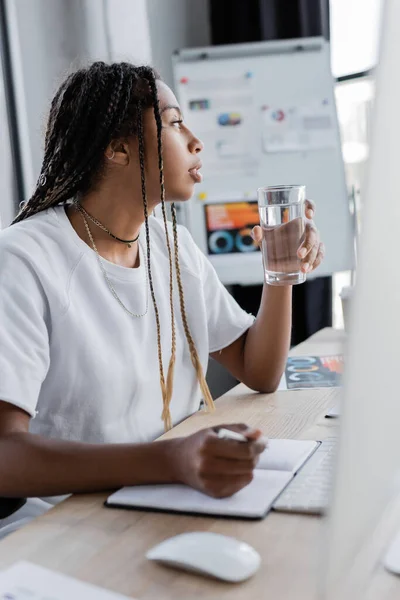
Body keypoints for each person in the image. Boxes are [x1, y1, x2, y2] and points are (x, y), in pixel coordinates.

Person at [0, 63, 324, 536]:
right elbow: (6, 458)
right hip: (59, 527)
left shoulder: (169, 245)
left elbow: (260, 369)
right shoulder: (24, 259)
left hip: (158, 501)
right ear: (117, 148)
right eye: (173, 123)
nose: (196, 141)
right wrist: (167, 461)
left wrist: (280, 271)